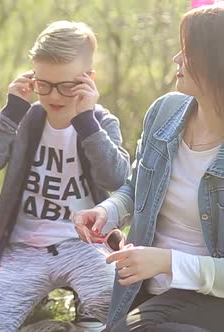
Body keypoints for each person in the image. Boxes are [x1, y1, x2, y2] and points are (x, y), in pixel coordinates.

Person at [0, 21, 130, 331]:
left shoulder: (100, 122)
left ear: (88, 81)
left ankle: (87, 315)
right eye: (44, 84)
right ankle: (41, 319)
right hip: (24, 250)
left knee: (118, 305)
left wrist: (86, 123)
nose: (54, 95)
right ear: (32, 78)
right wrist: (10, 113)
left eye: (66, 85)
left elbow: (117, 179)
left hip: (85, 246)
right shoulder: (24, 119)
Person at [72, 4, 224, 331]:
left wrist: (166, 261)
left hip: (212, 299)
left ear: (215, 62)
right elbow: (136, 186)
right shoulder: (164, 111)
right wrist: (108, 211)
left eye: (186, 51)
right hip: (145, 288)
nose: (176, 59)